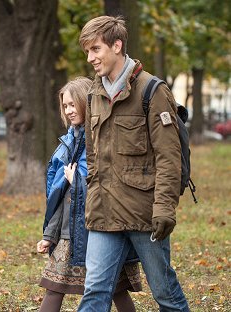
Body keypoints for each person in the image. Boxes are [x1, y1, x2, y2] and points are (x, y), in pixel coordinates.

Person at [77, 16, 190, 311]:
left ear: (117, 45)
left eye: (96, 49)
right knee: (95, 291)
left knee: (165, 292)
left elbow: (169, 156)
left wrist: (164, 208)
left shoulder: (153, 91)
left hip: (144, 213)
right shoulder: (93, 94)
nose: (90, 58)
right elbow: (92, 154)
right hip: (104, 211)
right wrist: (93, 191)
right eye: (87, 52)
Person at [36, 77, 141, 312]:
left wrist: (79, 182)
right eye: (65, 106)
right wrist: (49, 235)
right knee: (54, 287)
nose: (69, 110)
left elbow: (113, 182)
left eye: (73, 104)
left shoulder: (100, 139)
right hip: (68, 228)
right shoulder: (69, 142)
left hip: (102, 226)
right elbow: (58, 196)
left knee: (115, 288)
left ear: (87, 102)